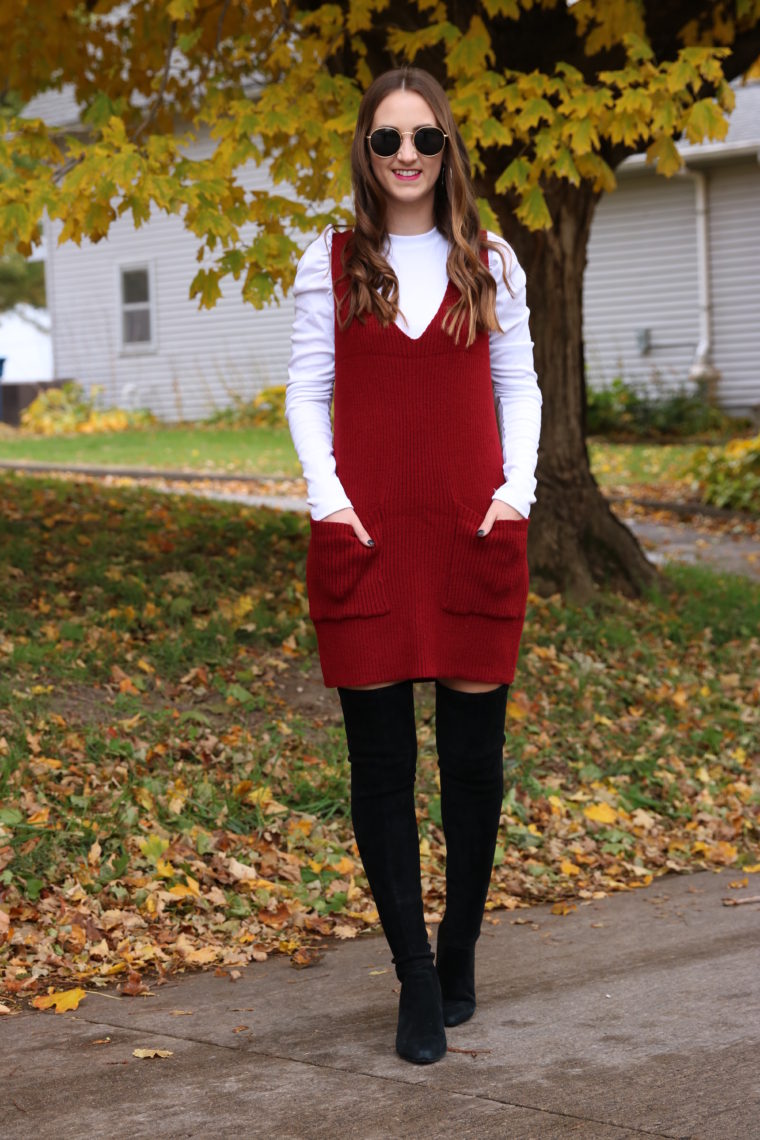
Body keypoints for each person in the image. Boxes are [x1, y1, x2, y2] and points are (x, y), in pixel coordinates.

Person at [285, 66, 542, 1065]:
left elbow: (519, 389)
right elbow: (307, 396)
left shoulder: (492, 261)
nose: (404, 157)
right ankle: (415, 978)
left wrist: (513, 494)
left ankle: (462, 942)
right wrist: (329, 500)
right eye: (386, 139)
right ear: (365, 149)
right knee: (382, 768)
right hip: (369, 535)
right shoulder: (332, 261)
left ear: (447, 151)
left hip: (475, 530)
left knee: (472, 766)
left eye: (423, 139)